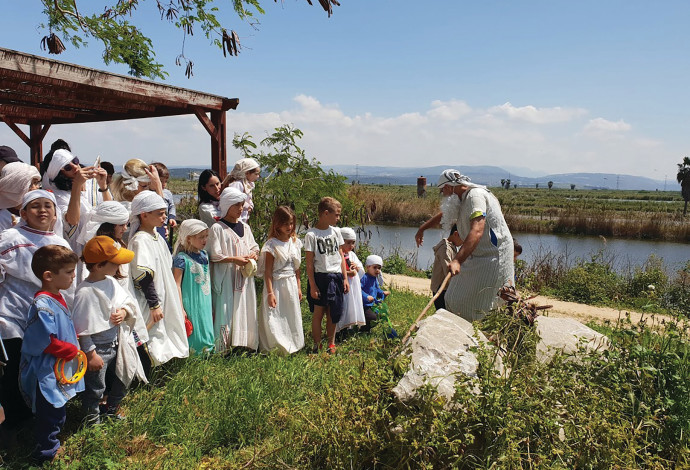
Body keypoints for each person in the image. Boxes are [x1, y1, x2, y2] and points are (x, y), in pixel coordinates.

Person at [0, 190, 74, 443]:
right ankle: (14, 420)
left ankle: (39, 416)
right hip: (14, 313)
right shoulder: (10, 238)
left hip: (47, 318)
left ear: (55, 214)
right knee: (15, 368)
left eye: (47, 206)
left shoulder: (59, 243)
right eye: (35, 206)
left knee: (43, 369)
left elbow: (69, 281)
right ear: (22, 213)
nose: (42, 211)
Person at [19, 245, 83, 463]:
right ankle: (46, 453)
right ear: (48, 276)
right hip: (46, 368)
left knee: (57, 407)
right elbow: (44, 339)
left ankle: (51, 443)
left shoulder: (58, 297)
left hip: (57, 367)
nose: (74, 276)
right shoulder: (42, 304)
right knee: (50, 411)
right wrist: (71, 350)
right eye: (68, 272)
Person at [72, 236, 145, 425]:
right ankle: (92, 421)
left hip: (116, 342)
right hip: (98, 349)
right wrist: (90, 353)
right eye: (114, 263)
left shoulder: (110, 281)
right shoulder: (85, 292)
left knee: (123, 376)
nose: (118, 267)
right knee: (96, 387)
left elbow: (126, 302)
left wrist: (124, 311)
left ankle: (111, 408)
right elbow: (82, 328)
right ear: (98, 266)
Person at [436, 169, 515, 321]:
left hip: (492, 257)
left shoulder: (475, 196)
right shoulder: (463, 199)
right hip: (475, 255)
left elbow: (477, 230)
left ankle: (482, 331)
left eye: (442, 191)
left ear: (447, 187)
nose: (443, 195)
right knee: (454, 295)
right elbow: (443, 215)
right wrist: (422, 229)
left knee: (483, 300)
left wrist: (457, 260)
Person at [129, 191, 189, 368]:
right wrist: (154, 304)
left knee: (166, 328)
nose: (164, 217)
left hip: (164, 290)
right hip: (151, 298)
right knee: (154, 333)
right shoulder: (140, 240)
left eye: (164, 212)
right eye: (160, 213)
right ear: (144, 215)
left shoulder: (156, 237)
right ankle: (151, 369)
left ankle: (165, 363)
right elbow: (143, 276)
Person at [207, 187, 260, 352]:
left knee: (244, 307)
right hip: (227, 278)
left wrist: (253, 254)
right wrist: (233, 260)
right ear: (227, 204)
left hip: (244, 277)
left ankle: (245, 343)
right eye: (236, 205)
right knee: (227, 309)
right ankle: (224, 347)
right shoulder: (217, 228)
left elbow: (255, 246)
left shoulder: (245, 227)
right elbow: (214, 255)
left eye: (242, 205)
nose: (240, 209)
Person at [40, 146, 111, 248]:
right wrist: (77, 185)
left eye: (75, 161)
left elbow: (111, 210)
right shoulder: (55, 196)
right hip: (74, 250)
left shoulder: (88, 184)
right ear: (60, 175)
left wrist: (103, 186)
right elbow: (72, 220)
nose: (75, 167)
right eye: (68, 167)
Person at [305, 197, 349, 354]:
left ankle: (331, 342)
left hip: (336, 276)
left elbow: (341, 256)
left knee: (333, 312)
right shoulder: (312, 235)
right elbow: (309, 263)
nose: (338, 218)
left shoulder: (336, 232)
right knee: (319, 312)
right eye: (336, 215)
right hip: (320, 277)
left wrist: (344, 278)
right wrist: (313, 285)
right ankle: (317, 344)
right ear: (325, 213)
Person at [257, 206, 304, 355]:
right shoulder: (271, 245)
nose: (289, 227)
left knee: (291, 314)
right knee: (275, 316)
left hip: (290, 283)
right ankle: (276, 346)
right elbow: (268, 272)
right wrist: (270, 293)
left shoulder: (295, 242)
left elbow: (296, 268)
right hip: (277, 284)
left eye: (291, 223)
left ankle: (292, 343)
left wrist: (299, 286)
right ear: (277, 223)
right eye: (286, 224)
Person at [172, 219, 215, 355]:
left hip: (205, 299)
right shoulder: (181, 258)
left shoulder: (205, 255)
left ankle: (208, 351)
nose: (205, 240)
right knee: (194, 326)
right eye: (201, 237)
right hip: (190, 300)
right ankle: (194, 356)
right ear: (189, 239)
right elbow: (176, 284)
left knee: (205, 323)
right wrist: (180, 307)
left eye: (206, 236)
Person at [335, 227, 366, 336]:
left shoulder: (352, 255)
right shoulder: (337, 255)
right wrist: (348, 273)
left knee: (351, 307)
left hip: (353, 287)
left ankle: (349, 328)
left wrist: (356, 268)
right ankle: (339, 331)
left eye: (353, 243)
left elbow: (361, 270)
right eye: (348, 243)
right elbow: (335, 270)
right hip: (343, 285)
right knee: (343, 307)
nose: (351, 246)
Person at [0, 161, 41, 231]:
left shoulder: (42, 214)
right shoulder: (2, 218)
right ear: (16, 187)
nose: (35, 188)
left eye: (36, 183)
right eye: (30, 184)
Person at [430, 225, 463, 310]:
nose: (463, 242)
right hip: (440, 289)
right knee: (442, 312)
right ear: (456, 234)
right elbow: (448, 270)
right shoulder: (445, 248)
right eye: (462, 238)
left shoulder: (453, 247)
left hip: (446, 289)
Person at [360, 255, 390, 333]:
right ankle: (363, 329)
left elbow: (377, 289)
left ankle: (366, 328)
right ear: (367, 267)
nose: (377, 270)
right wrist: (366, 296)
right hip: (364, 305)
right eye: (375, 267)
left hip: (372, 304)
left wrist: (382, 293)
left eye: (379, 268)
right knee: (373, 317)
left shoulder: (374, 279)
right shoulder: (365, 278)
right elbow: (359, 290)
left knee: (381, 315)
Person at [151, 162, 177, 249]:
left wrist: (172, 217)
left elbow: (172, 206)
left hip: (163, 223)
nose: (163, 184)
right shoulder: (149, 193)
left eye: (165, 181)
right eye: (160, 181)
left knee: (164, 245)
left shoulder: (167, 193)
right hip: (153, 224)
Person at [226, 158, 261, 223]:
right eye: (256, 174)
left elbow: (248, 199)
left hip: (243, 218)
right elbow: (235, 200)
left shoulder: (247, 184)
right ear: (247, 173)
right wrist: (248, 206)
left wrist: (250, 205)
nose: (258, 176)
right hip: (237, 219)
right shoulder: (237, 184)